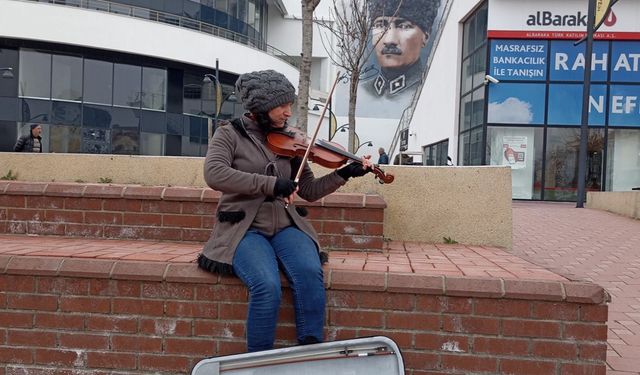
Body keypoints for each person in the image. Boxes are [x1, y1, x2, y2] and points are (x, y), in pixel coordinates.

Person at [197, 70, 373, 352]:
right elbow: (215, 174)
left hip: (286, 225)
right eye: (282, 106)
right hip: (245, 228)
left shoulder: (290, 140)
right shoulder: (228, 135)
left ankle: (310, 350)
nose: (288, 113)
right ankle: (257, 364)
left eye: (290, 104)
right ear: (260, 108)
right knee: (266, 286)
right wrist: (271, 184)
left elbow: (309, 191)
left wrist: (345, 173)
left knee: (308, 273)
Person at [360, 0, 440, 109]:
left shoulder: (432, 90)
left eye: (404, 26)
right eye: (380, 25)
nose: (389, 40)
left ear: (426, 36)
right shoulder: (363, 91)